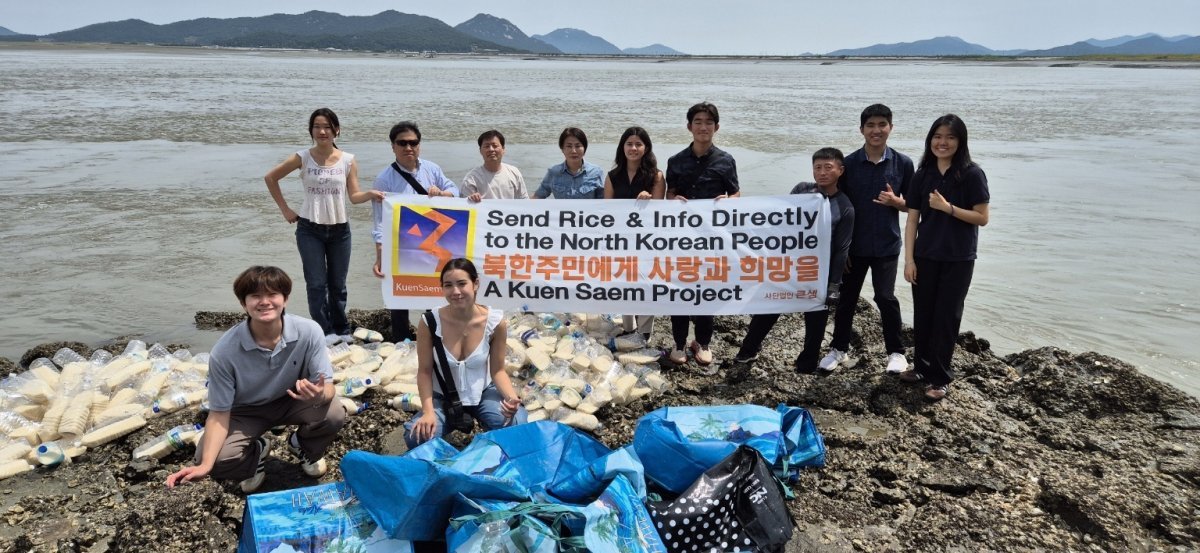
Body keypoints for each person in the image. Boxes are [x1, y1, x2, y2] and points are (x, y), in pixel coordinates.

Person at [166, 266, 344, 493]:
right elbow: (219, 413)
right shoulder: (225, 351)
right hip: (245, 411)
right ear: (243, 303)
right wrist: (205, 466)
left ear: (285, 299)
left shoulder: (309, 332)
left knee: (334, 413)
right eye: (255, 296)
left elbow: (327, 387)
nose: (265, 302)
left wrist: (319, 394)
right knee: (216, 460)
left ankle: (302, 447)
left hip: (292, 399)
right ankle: (257, 453)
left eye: (272, 295)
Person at [264, 108, 382, 342]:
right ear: (311, 131)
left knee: (338, 284)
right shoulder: (302, 157)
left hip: (340, 231)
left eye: (327, 126)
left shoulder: (348, 160)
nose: (322, 131)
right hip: (310, 229)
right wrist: (285, 210)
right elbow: (271, 178)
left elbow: (354, 196)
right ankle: (323, 331)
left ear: (336, 130)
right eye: (317, 126)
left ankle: (342, 329)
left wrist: (370, 194)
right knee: (317, 284)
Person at [734, 148, 854, 371]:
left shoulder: (844, 207)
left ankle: (807, 363)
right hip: (788, 267)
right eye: (818, 167)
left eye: (828, 167)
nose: (822, 172)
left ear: (840, 170)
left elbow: (841, 250)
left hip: (818, 273)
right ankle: (747, 351)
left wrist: (834, 285)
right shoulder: (802, 190)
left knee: (816, 320)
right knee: (768, 309)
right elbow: (780, 220)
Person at [821, 104, 915, 375]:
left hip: (887, 244)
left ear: (890, 128)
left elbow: (915, 206)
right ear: (861, 129)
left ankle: (896, 352)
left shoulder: (904, 163)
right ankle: (838, 348)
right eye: (870, 125)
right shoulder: (848, 165)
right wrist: (840, 250)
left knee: (885, 297)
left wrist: (897, 201)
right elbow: (835, 206)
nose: (876, 130)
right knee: (846, 299)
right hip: (854, 248)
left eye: (882, 125)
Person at [901, 114, 990, 401]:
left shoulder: (972, 173)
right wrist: (909, 260)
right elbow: (912, 220)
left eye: (950, 137)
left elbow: (982, 218)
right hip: (925, 255)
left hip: (958, 257)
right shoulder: (922, 174)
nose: (943, 142)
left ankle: (939, 378)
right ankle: (921, 368)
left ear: (960, 142)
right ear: (930, 140)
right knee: (923, 313)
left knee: (947, 318)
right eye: (938, 137)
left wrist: (947, 207)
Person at [405, 258, 527, 447]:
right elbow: (424, 371)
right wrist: (428, 412)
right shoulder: (429, 322)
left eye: (462, 284)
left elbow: (498, 371)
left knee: (515, 425)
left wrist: (511, 399)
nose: (456, 292)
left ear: (475, 283)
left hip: (483, 393)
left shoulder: (495, 323)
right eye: (448, 285)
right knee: (417, 437)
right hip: (443, 396)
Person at [665, 102, 740, 366]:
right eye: (698, 121)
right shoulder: (675, 161)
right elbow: (670, 194)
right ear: (689, 127)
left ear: (716, 127)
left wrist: (730, 201)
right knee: (680, 290)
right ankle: (678, 343)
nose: (703, 126)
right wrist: (672, 200)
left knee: (707, 290)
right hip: (681, 239)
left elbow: (736, 194)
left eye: (709, 122)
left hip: (712, 239)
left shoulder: (726, 160)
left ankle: (703, 342)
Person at [371, 121, 460, 343]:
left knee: (433, 291)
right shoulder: (384, 179)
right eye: (402, 143)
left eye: (413, 142)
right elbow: (379, 221)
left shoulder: (432, 169)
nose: (408, 147)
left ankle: (435, 338)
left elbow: (455, 191)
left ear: (419, 145)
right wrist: (380, 255)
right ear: (393, 146)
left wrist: (442, 193)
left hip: (435, 242)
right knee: (400, 293)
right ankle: (400, 341)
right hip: (401, 244)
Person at [604, 126, 665, 340]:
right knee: (623, 281)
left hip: (647, 241)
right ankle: (628, 327)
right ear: (622, 147)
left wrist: (648, 201)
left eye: (638, 144)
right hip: (621, 240)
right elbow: (606, 212)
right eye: (629, 144)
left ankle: (645, 331)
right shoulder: (612, 176)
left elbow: (659, 212)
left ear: (646, 148)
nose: (633, 148)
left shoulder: (656, 176)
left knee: (646, 283)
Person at [532, 127, 604, 199]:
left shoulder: (596, 172)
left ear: (584, 148)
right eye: (569, 146)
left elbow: (604, 202)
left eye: (577, 146)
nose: (573, 151)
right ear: (562, 149)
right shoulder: (553, 172)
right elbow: (538, 196)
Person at [462, 129, 530, 201]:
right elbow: (464, 207)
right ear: (480, 151)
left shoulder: (514, 172)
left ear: (503, 149)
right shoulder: (471, 179)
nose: (491, 149)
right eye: (487, 146)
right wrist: (471, 199)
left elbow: (524, 201)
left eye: (495, 146)